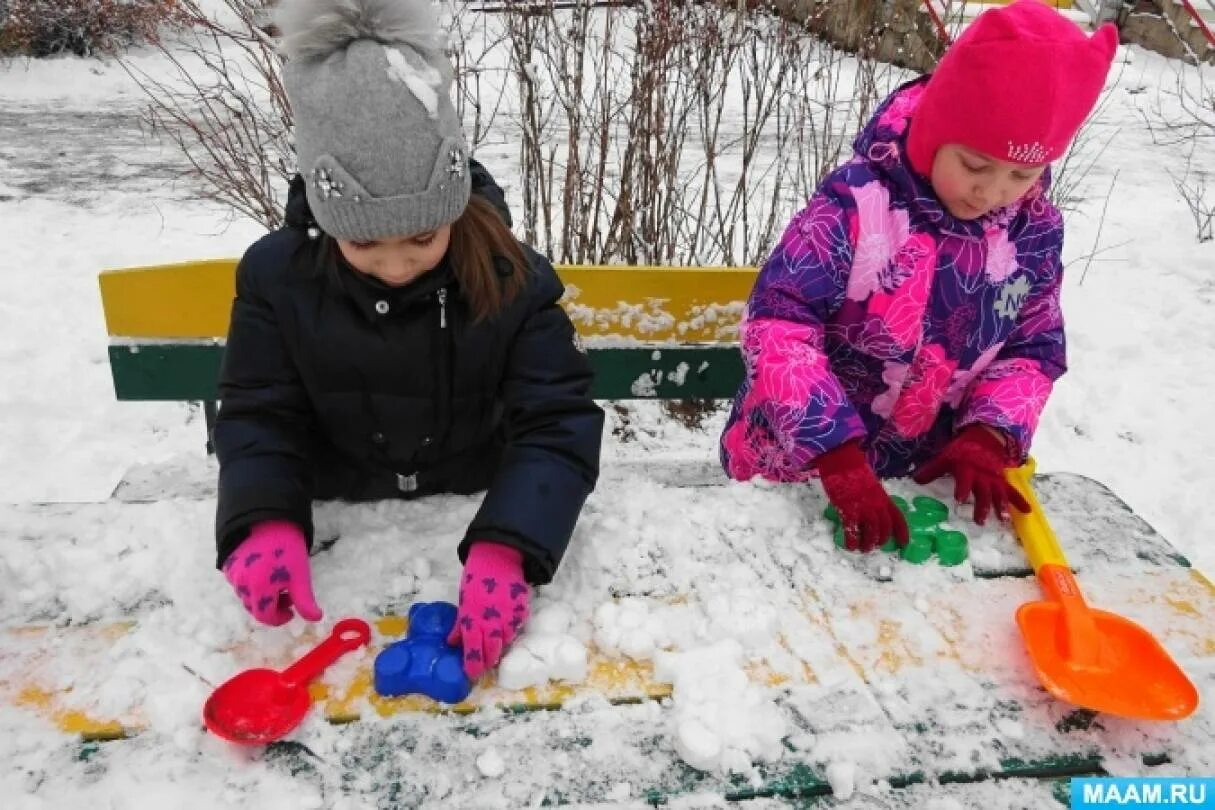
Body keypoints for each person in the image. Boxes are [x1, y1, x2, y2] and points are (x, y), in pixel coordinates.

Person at [214, 0, 604, 680]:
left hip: (471, 497)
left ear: (452, 204)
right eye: (364, 241)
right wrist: (263, 517)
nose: (395, 265)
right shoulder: (278, 278)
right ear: (330, 216)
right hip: (345, 519)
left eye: (423, 237)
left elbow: (557, 421)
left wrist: (512, 544)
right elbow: (259, 411)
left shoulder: (511, 276)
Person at [720, 0, 1117, 552]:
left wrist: (988, 432)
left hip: (919, 482)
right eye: (975, 165)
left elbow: (1033, 348)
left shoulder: (1034, 232)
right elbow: (779, 323)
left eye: (1022, 173)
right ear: (934, 132)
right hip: (796, 470)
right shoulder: (855, 208)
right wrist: (833, 450)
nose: (992, 191)